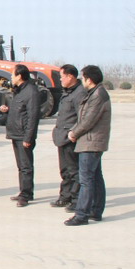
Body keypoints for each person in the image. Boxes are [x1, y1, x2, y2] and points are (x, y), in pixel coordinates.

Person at [64, 65, 111, 226]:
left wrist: (74, 133)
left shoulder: (98, 95)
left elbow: (88, 120)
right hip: (91, 141)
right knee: (95, 177)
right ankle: (95, 211)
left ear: (89, 79)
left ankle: (81, 214)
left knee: (86, 180)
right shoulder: (94, 93)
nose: (81, 80)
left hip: (91, 142)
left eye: (83, 77)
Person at [0, 64, 40, 207]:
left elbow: (33, 116)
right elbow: (20, 110)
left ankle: (26, 195)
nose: (11, 77)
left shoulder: (31, 91)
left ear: (20, 76)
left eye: (13, 75)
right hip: (16, 133)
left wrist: (28, 137)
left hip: (23, 135)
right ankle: (24, 191)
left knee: (26, 166)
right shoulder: (19, 90)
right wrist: (7, 109)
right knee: (21, 166)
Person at [50, 64, 86, 209]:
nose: (60, 80)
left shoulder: (79, 93)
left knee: (74, 171)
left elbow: (82, 117)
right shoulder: (68, 92)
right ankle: (65, 196)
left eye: (62, 77)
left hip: (71, 138)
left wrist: (74, 133)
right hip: (62, 137)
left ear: (70, 76)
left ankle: (76, 200)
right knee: (65, 170)